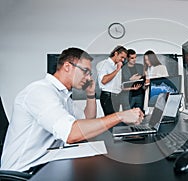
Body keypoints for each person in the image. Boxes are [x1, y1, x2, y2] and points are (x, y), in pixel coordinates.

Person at [0, 47, 144, 172]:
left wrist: (90, 95)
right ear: (68, 67)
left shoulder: (64, 95)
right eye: (86, 71)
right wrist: (120, 116)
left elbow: (88, 122)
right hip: (26, 171)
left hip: (46, 161)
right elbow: (72, 133)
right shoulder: (40, 91)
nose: (88, 77)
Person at [96, 46, 128, 116]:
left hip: (117, 96)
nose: (123, 60)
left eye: (124, 58)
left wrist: (131, 87)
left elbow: (117, 85)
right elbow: (104, 81)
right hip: (108, 96)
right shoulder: (104, 64)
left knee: (114, 121)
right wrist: (117, 70)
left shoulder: (118, 66)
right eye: (121, 57)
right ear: (116, 53)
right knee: (109, 120)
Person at [143, 50, 169, 114]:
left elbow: (166, 83)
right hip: (148, 95)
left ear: (152, 59)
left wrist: (152, 81)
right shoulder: (146, 69)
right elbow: (144, 87)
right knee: (148, 115)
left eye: (148, 60)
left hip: (158, 95)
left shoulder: (162, 67)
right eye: (145, 60)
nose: (147, 62)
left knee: (158, 113)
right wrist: (145, 84)